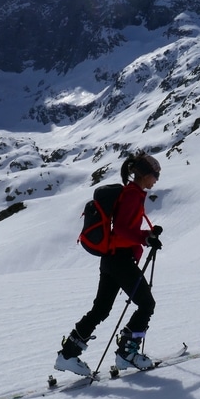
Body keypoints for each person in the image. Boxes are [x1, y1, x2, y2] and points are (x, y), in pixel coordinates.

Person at [55, 153, 164, 377]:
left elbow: (124, 228)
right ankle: (127, 353)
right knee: (146, 304)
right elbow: (122, 230)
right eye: (156, 175)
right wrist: (145, 238)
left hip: (111, 259)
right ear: (145, 175)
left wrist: (146, 235)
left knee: (101, 309)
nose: (157, 180)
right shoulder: (132, 195)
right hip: (120, 259)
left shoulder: (132, 193)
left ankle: (67, 355)